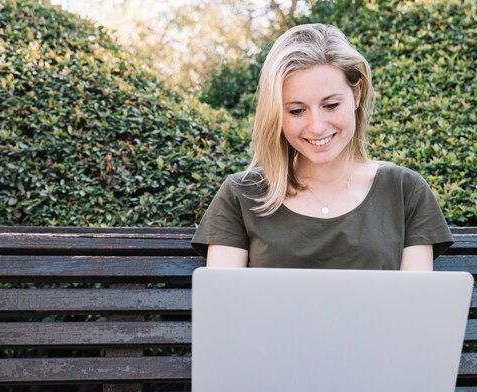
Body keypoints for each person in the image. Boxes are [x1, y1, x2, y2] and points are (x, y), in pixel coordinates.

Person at [191, 23, 453, 269]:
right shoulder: (241, 195)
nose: (316, 126)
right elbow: (225, 310)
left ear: (357, 93)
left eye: (331, 105)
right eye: (296, 110)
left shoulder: (404, 191)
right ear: (276, 114)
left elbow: (414, 308)